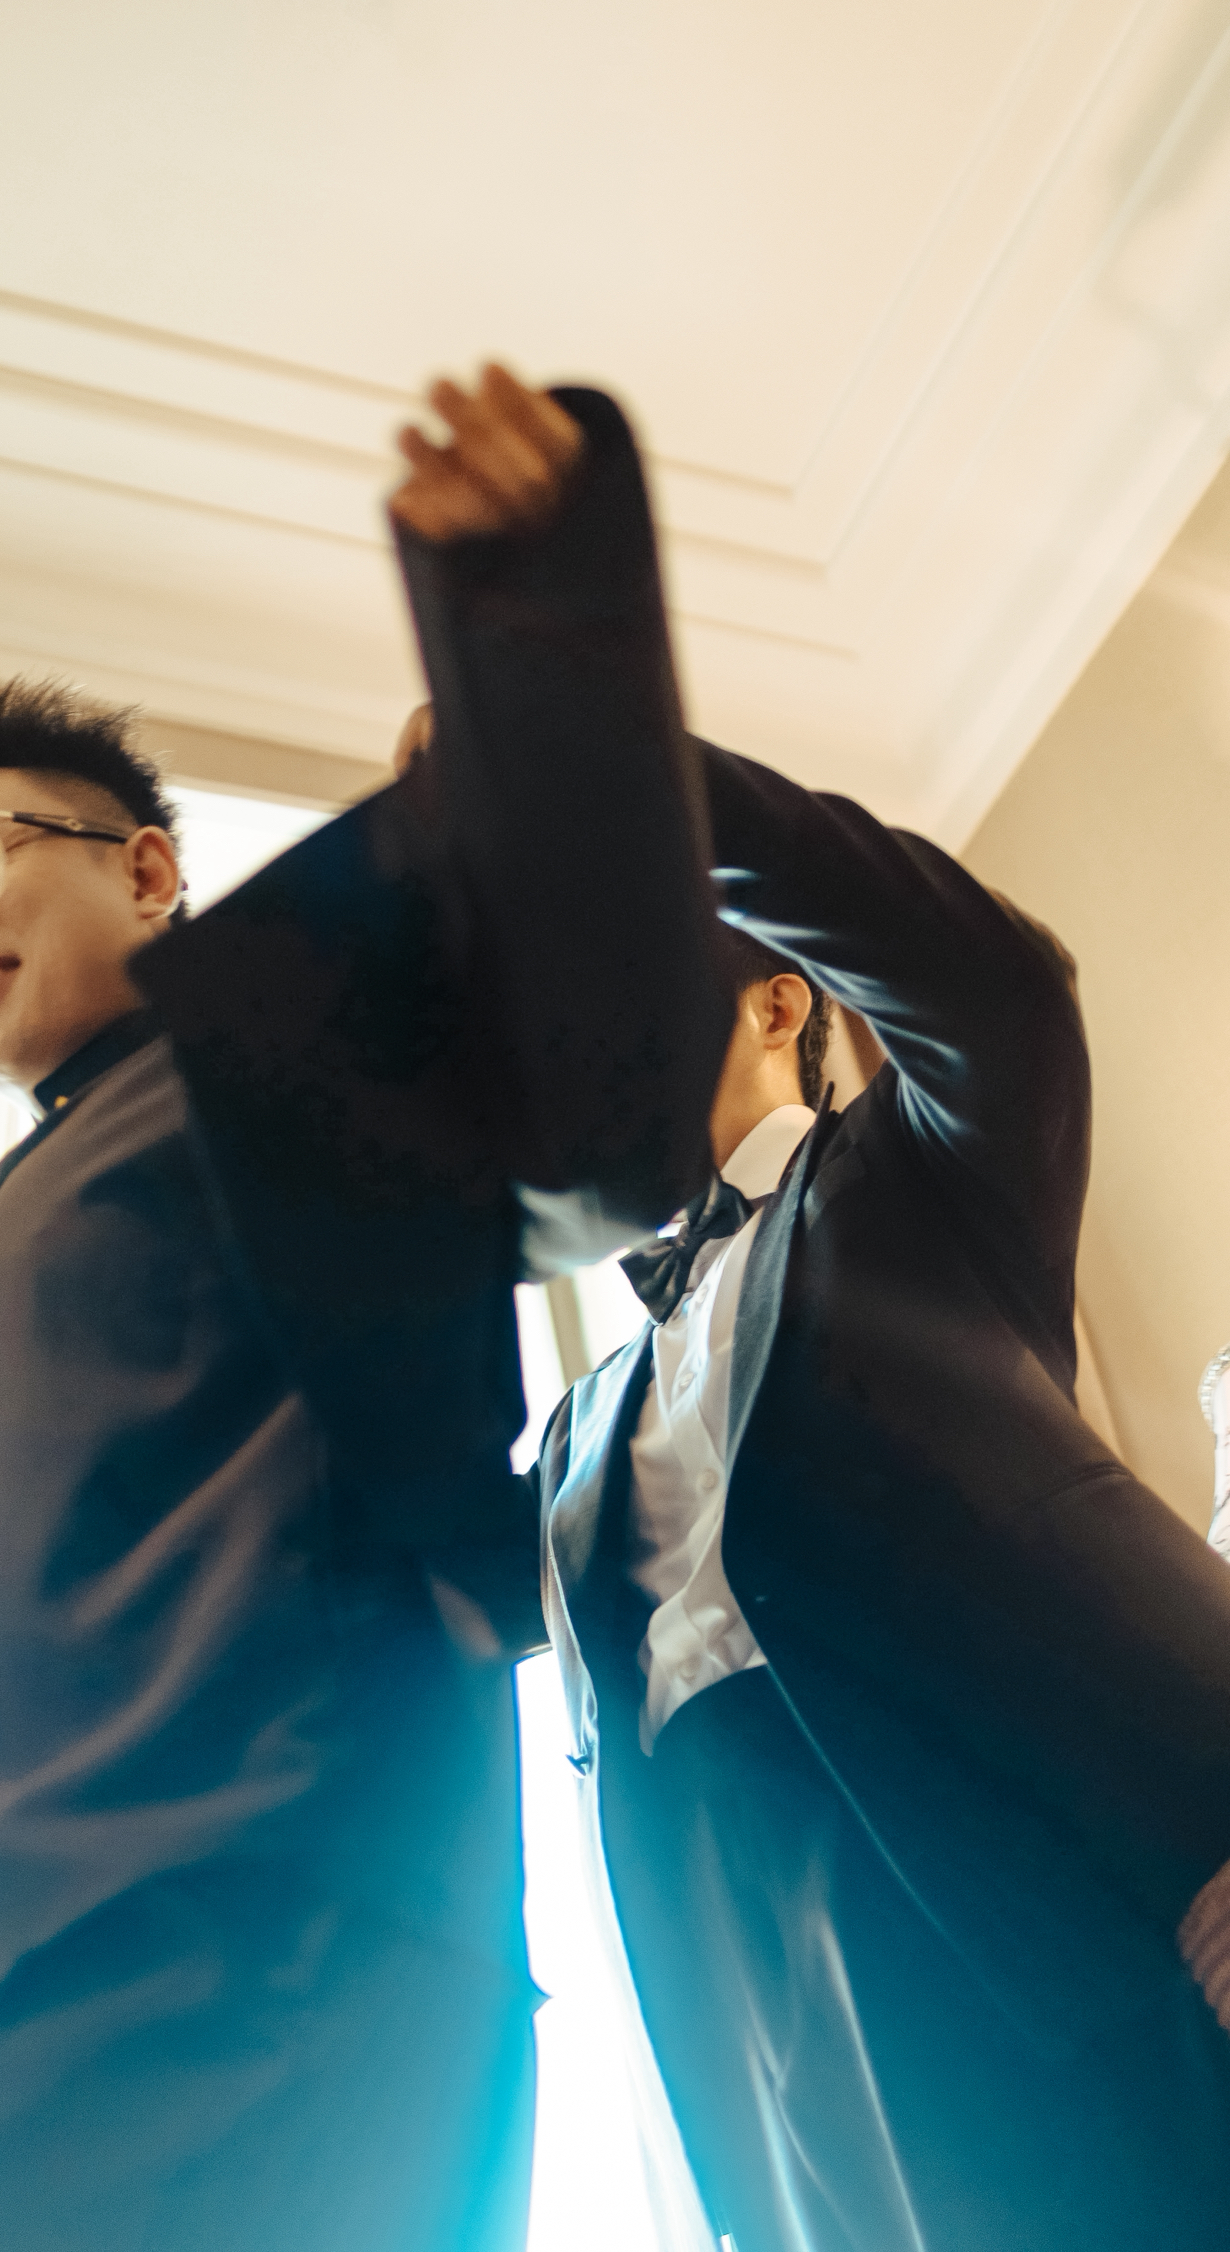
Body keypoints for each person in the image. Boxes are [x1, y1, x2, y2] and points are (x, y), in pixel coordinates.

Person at [0, 366, 732, 2252]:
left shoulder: (273, 1050)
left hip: (263, 1970)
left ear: (149, 870)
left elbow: (608, 1112)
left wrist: (533, 626)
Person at [507, 412, 1230, 2250]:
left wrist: (610, 780)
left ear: (776, 999)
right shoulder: (566, 1437)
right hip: (793, 2059)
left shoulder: (910, 1186)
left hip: (1105, 1915)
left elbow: (1000, 985)